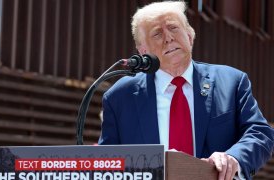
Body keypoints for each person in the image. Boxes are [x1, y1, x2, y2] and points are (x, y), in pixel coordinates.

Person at [98, 1, 274, 180]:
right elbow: (106, 164)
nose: (168, 38)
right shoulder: (120, 97)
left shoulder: (231, 82)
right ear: (143, 52)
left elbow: (260, 133)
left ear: (190, 36)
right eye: (157, 34)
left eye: (173, 28)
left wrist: (234, 158)